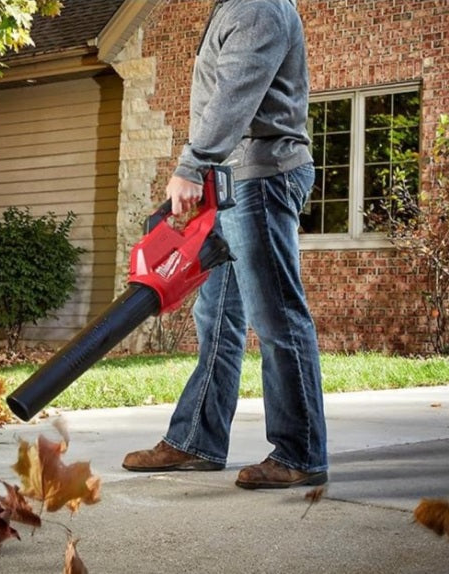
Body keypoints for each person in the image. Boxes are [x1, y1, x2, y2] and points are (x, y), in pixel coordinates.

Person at [122, 0, 328, 489]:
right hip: (233, 182)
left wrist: (192, 166)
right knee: (216, 319)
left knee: (276, 315)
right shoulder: (232, 6)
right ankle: (197, 440)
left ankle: (300, 453)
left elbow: (235, 93)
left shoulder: (257, 6)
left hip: (262, 176)